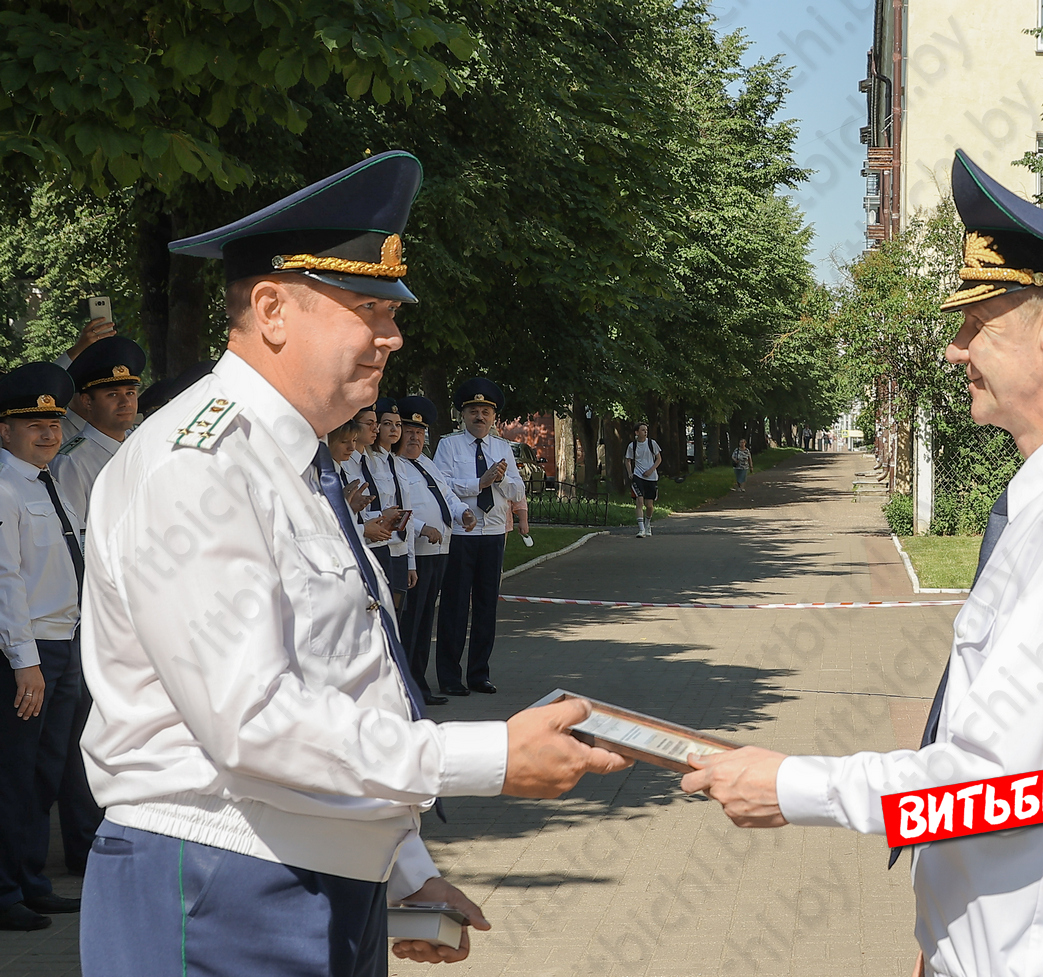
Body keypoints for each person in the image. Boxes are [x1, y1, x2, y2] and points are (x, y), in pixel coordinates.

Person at [77, 151, 629, 976]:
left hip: (317, 879)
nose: (394, 335)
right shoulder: (198, 463)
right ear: (270, 308)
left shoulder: (291, 460)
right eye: (368, 308)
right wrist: (490, 757)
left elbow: (346, 677)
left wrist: (406, 867)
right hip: (218, 883)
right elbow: (252, 720)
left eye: (392, 311)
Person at [682, 148, 1043, 977]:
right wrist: (947, 940)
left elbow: (997, 788)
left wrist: (790, 787)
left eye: (976, 322)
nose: (956, 349)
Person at [47, 336, 145, 876]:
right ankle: (84, 841)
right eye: (110, 393)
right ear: (83, 403)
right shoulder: (77, 462)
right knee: (87, 725)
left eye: (130, 390)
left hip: (137, 611)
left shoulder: (138, 449)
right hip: (96, 616)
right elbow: (79, 550)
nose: (125, 401)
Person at [0, 362, 84, 931]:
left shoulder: (47, 482)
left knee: (44, 774)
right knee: (13, 773)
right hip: (28, 655)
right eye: (33, 423)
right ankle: (5, 891)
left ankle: (31, 880)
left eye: (53, 421)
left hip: (66, 643)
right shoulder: (5, 489)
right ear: (4, 429)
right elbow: (6, 580)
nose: (48, 432)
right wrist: (25, 662)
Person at [433, 378, 520, 696]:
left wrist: (502, 478)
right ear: (463, 415)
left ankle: (479, 673)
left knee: (486, 606)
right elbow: (442, 484)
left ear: (494, 417)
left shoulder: (502, 448)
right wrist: (479, 483)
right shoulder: (449, 446)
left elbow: (517, 490)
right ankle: (449, 676)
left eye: (485, 411)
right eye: (473, 411)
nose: (479, 417)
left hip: (493, 533)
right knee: (455, 605)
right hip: (461, 533)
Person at [393, 396, 475, 706]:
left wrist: (462, 513)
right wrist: (420, 529)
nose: (415, 438)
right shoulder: (394, 465)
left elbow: (448, 497)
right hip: (414, 554)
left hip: (439, 552)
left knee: (426, 622)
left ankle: (420, 685)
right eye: (409, 431)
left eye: (420, 432)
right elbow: (394, 511)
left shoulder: (425, 463)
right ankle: (407, 689)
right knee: (410, 624)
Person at [341, 404, 402, 574]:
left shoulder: (371, 461)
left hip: (381, 543)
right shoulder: (344, 461)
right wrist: (382, 516)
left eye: (376, 423)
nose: (376, 428)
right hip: (360, 544)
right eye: (369, 423)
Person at [367, 397, 413, 607]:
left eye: (398, 425)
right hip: (381, 546)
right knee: (384, 612)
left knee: (398, 613)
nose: (394, 429)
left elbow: (408, 512)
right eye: (387, 424)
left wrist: (411, 562)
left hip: (400, 550)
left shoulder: (398, 463)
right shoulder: (369, 461)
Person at [327, 418, 375, 520]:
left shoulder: (343, 471)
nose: (352, 447)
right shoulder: (324, 477)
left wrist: (352, 509)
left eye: (354, 440)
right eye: (344, 442)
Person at [624, 422, 661, 537]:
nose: (645, 432)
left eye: (646, 430)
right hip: (638, 476)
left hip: (651, 477)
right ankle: (641, 529)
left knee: (649, 505)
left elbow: (659, 459)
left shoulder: (652, 443)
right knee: (639, 501)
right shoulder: (632, 446)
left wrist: (651, 470)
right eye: (643, 430)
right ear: (637, 432)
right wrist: (630, 473)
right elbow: (627, 460)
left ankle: (647, 523)